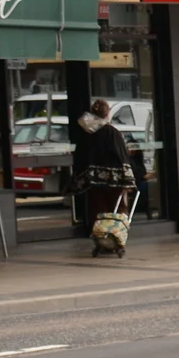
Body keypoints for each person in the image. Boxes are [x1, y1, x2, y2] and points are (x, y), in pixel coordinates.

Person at [70, 98, 146, 256]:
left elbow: (80, 157)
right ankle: (116, 240)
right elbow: (122, 157)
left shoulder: (85, 133)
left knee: (97, 210)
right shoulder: (112, 132)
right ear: (107, 113)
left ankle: (100, 240)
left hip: (93, 182)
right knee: (117, 210)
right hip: (114, 182)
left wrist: (80, 177)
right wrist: (129, 180)